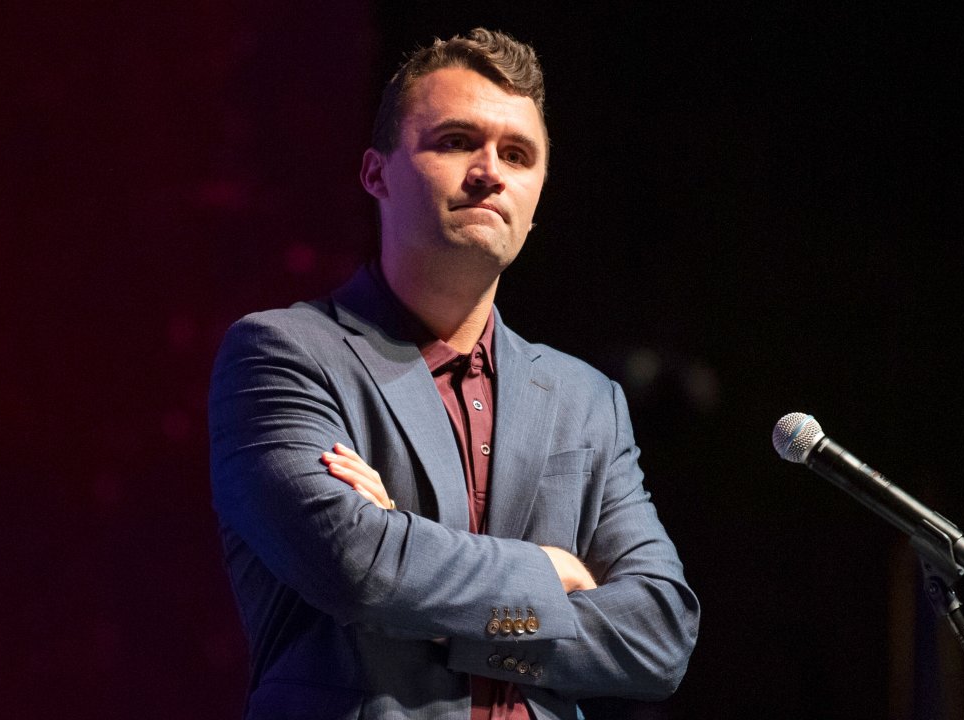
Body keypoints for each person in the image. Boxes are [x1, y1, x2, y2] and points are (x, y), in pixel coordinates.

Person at [209, 28, 699, 720]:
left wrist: (420, 573)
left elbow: (659, 637)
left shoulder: (588, 400)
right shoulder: (283, 354)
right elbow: (356, 567)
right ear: (376, 173)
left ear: (536, 203)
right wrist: (553, 576)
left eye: (518, 155)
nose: (490, 170)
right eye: (457, 141)